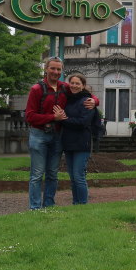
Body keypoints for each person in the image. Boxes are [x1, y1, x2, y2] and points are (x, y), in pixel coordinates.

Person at [24, 56, 96, 210]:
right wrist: (53, 117)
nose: (55, 72)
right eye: (52, 68)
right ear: (46, 69)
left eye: (58, 69)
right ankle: (35, 207)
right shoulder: (37, 89)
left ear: (62, 71)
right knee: (37, 174)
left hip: (57, 136)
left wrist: (95, 100)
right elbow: (29, 116)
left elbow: (82, 91)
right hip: (39, 135)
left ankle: (49, 204)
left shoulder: (64, 87)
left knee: (52, 174)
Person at [56, 74, 96, 205]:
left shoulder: (87, 101)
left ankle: (83, 204)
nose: (74, 85)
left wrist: (64, 120)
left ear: (83, 85)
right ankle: (75, 203)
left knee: (79, 176)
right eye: (72, 83)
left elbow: (83, 122)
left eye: (77, 83)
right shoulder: (68, 99)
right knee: (73, 177)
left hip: (81, 143)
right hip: (68, 142)